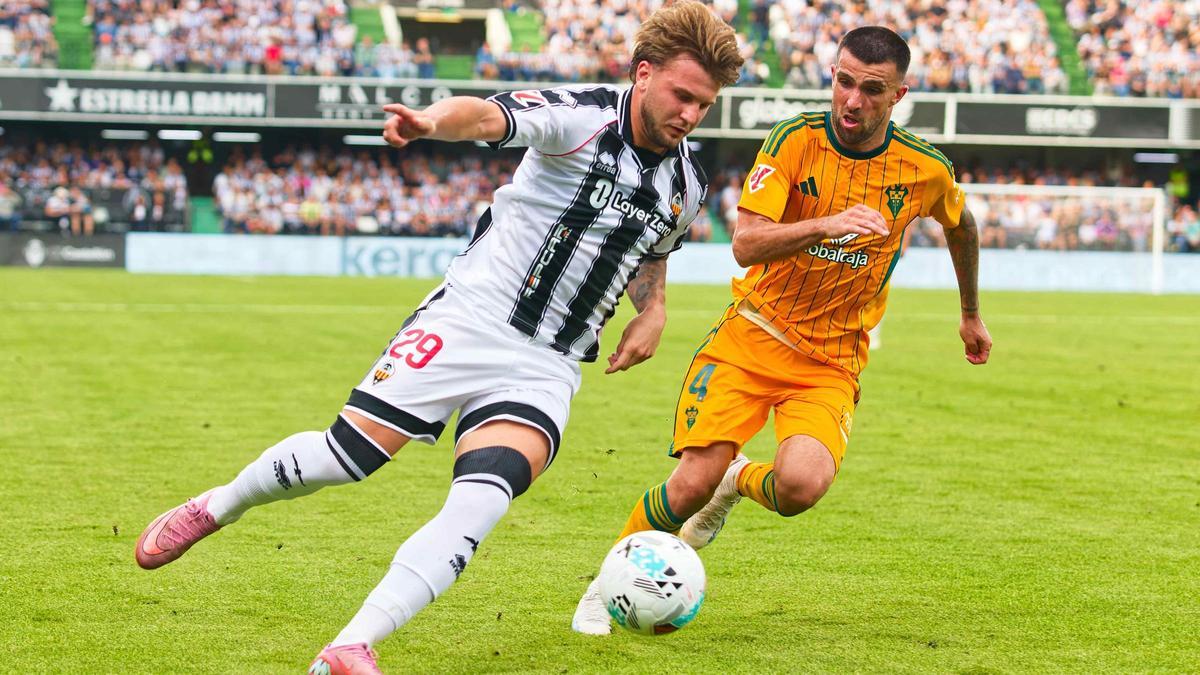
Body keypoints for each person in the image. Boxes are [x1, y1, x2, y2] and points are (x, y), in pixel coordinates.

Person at [132, 3, 743, 673]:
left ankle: (351, 643)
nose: (689, 113)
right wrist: (429, 124)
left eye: (703, 104)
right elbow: (487, 116)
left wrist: (652, 310)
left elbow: (654, 248)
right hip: (468, 318)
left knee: (483, 498)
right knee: (348, 456)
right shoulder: (580, 116)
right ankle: (218, 505)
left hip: (548, 364)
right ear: (645, 72)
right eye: (682, 95)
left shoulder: (685, 183)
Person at [571, 25, 992, 635]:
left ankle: (739, 479)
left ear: (898, 95)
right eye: (843, 82)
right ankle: (603, 588)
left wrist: (971, 312)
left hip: (831, 363)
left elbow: (963, 226)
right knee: (688, 486)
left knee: (800, 487)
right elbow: (745, 244)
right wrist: (827, 224)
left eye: (872, 90)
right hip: (751, 337)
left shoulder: (924, 169)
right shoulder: (793, 140)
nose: (852, 100)